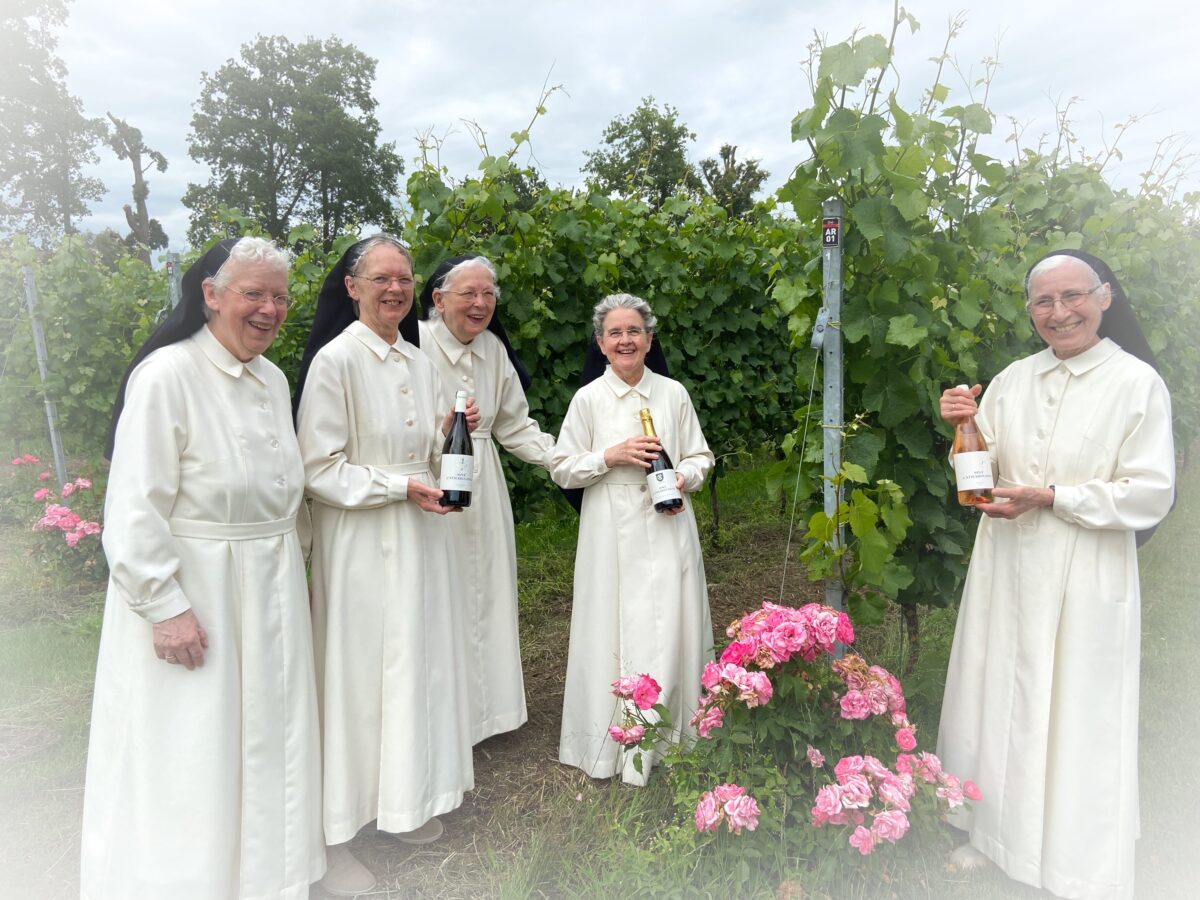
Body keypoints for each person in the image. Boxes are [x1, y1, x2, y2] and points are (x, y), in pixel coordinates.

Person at [82, 237, 324, 899]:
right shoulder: (167, 376)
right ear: (211, 295)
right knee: (194, 747)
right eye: (254, 293)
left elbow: (283, 494)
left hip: (269, 583)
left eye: (279, 295)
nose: (269, 308)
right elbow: (134, 505)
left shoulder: (273, 380)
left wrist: (295, 568)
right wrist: (164, 606)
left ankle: (268, 878)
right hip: (199, 590)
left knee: (271, 737)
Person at [936, 250, 1175, 899]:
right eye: (1044, 301)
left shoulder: (1136, 383)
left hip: (1085, 574)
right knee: (1000, 699)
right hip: (1008, 568)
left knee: (1077, 709)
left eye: (1073, 296)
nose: (1059, 311)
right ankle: (992, 836)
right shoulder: (1013, 378)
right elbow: (982, 466)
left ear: (1104, 297)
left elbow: (1151, 492)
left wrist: (1055, 497)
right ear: (1030, 310)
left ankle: (1074, 863)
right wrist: (962, 425)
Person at [293, 234, 476, 896]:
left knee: (416, 662)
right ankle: (338, 829)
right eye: (381, 279)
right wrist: (397, 486)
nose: (395, 289)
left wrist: (455, 425)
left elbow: (429, 441)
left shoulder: (418, 357)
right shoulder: (336, 362)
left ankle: (404, 800)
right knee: (361, 673)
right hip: (362, 542)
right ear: (353, 286)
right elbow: (318, 469)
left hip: (420, 532)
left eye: (404, 278)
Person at [551, 293, 715, 784]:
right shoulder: (588, 400)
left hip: (668, 520)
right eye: (615, 333)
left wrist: (685, 476)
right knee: (612, 623)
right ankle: (612, 745)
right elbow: (562, 467)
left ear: (649, 339)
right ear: (601, 344)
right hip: (609, 524)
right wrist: (610, 455)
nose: (625, 340)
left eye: (634, 331)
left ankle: (674, 737)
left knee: (671, 619)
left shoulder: (673, 393)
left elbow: (700, 456)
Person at [415, 255, 556, 744]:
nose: (480, 304)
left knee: (490, 592)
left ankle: (491, 717)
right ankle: (447, 721)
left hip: (485, 483)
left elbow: (515, 424)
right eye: (468, 294)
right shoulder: (412, 345)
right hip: (429, 487)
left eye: (488, 295)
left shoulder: (494, 349)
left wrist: (567, 462)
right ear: (438, 299)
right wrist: (435, 431)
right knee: (442, 594)